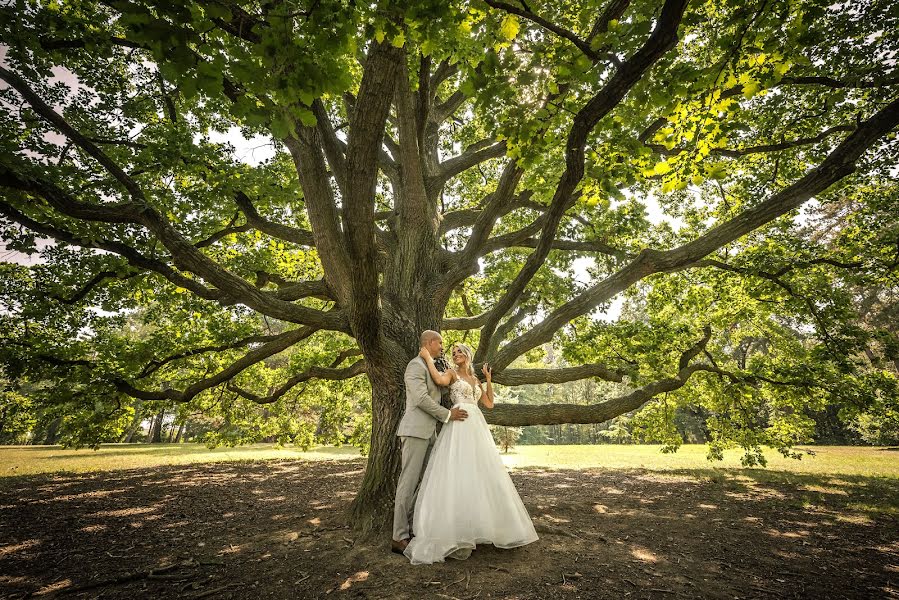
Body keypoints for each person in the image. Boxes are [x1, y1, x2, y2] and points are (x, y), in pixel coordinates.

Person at [403, 342, 539, 564]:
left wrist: (488, 380)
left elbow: (489, 403)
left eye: (459, 352)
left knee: (481, 472)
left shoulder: (476, 380)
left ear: (467, 355)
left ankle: (482, 526)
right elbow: (438, 380)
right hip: (459, 423)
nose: (456, 355)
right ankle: (455, 530)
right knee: (457, 470)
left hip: (477, 426)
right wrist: (427, 357)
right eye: (453, 352)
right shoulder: (451, 374)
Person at [392, 330, 469, 555]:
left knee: (428, 482)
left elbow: (444, 385)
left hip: (430, 434)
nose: (443, 346)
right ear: (430, 343)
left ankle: (412, 524)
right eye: (440, 343)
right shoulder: (415, 366)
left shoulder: (431, 365)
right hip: (415, 431)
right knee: (408, 482)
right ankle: (398, 536)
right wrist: (447, 415)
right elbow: (421, 399)